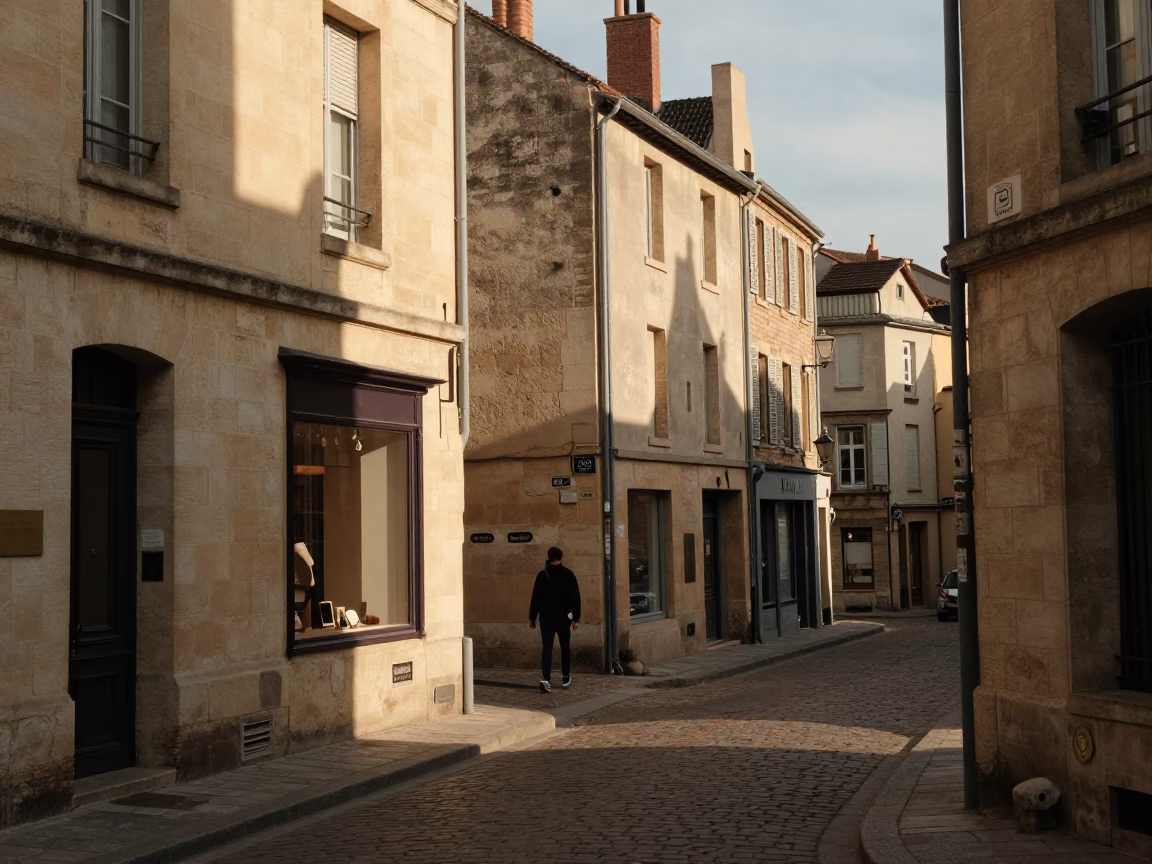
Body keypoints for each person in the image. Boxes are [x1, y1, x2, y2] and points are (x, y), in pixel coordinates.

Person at [529, 546, 581, 693]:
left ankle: (546, 678)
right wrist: (576, 618)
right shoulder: (569, 574)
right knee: (565, 647)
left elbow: (536, 598)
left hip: (547, 618)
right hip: (564, 618)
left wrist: (533, 617)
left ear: (549, 557)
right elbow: (575, 598)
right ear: (561, 557)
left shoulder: (542, 575)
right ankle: (565, 676)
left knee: (547, 649)